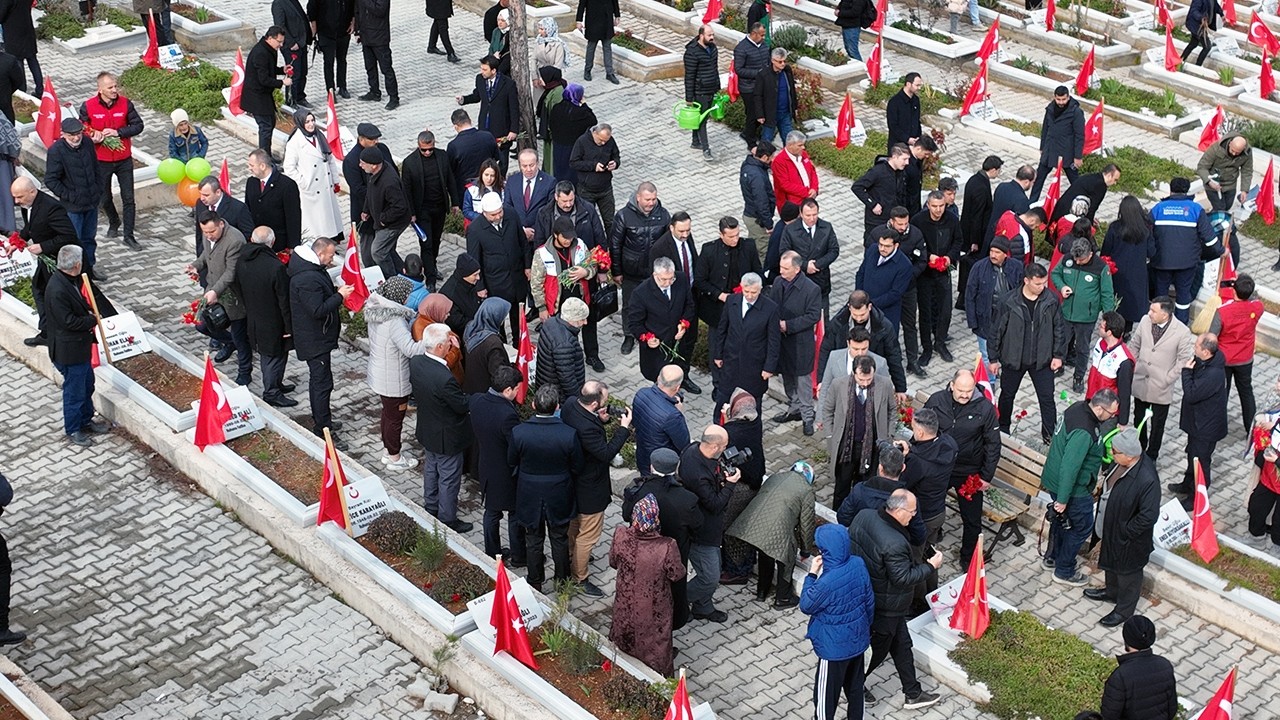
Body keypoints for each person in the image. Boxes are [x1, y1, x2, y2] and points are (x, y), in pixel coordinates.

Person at [848, 489, 943, 710]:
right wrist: (931, 567)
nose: (913, 515)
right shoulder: (895, 542)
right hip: (886, 605)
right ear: (898, 510)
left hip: (871, 593)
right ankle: (852, 685)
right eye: (911, 511)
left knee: (902, 644)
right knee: (877, 651)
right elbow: (903, 578)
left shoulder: (865, 515)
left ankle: (913, 692)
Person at [510, 385, 584, 591]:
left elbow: (511, 460)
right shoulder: (568, 434)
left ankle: (535, 581)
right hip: (559, 493)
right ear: (557, 407)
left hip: (529, 494)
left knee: (533, 539)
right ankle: (562, 581)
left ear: (533, 405)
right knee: (559, 539)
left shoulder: (519, 432)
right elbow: (577, 465)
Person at [562, 381, 633, 596]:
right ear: (594, 403)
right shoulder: (588, 429)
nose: (606, 404)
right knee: (588, 535)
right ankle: (580, 577)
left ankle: (570, 556)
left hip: (572, 479)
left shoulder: (570, 404)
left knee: (575, 524)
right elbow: (605, 453)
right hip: (590, 486)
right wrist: (623, 428)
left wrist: (601, 420)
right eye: (604, 401)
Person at [1042, 389, 1119, 585]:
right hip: (1072, 489)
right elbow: (1070, 467)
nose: (1113, 417)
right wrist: (1063, 499)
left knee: (1061, 521)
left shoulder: (1077, 408)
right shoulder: (1084, 431)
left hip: (1055, 480)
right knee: (1081, 526)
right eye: (1112, 413)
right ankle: (1064, 570)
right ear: (1100, 409)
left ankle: (1052, 557)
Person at [800, 523, 875, 720]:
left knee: (825, 697)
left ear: (824, 551)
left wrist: (812, 574)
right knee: (855, 689)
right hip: (857, 641)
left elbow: (806, 605)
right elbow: (869, 601)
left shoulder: (826, 582)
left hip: (833, 649)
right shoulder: (858, 563)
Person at [925, 370, 1000, 563]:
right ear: (951, 385)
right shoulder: (936, 400)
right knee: (929, 506)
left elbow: (993, 444)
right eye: (960, 390)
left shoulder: (984, 409)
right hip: (940, 467)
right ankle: (929, 543)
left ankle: (969, 559)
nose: (965, 395)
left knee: (972, 519)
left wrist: (986, 476)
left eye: (969, 390)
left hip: (969, 471)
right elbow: (923, 427)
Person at [1090, 428, 1161, 626]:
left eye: (1115, 451)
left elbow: (1148, 516)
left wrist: (1125, 531)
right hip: (1112, 529)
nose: (1111, 454)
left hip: (1129, 539)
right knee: (1111, 564)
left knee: (1128, 574)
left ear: (1129, 456)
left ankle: (1124, 610)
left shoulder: (1147, 479)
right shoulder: (1121, 464)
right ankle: (1111, 592)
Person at [990, 263, 1068, 443]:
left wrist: (1058, 355)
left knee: (1047, 399)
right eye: (1038, 284)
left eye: (1044, 283)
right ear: (1026, 281)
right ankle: (1002, 430)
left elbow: (1059, 329)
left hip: (1042, 361)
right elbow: (996, 331)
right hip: (1013, 359)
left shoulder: (1051, 300)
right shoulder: (1008, 301)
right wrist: (993, 358)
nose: (1042, 288)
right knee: (1007, 396)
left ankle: (1050, 438)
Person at [610, 493, 686, 675]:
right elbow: (677, 574)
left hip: (625, 600)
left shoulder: (620, 534)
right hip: (654, 606)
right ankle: (658, 676)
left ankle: (623, 668)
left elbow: (613, 562)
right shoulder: (666, 545)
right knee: (656, 643)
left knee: (625, 631)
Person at [43, 246, 110, 447]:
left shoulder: (69, 280)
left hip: (78, 349)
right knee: (74, 392)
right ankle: (73, 428)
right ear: (77, 264)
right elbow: (69, 321)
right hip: (69, 352)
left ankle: (86, 420)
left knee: (87, 385)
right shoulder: (57, 289)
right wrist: (92, 320)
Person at [288, 236, 354, 439]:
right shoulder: (307, 278)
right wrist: (340, 296)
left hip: (318, 337)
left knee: (323, 382)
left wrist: (335, 292)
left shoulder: (312, 270)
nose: (332, 259)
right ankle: (322, 428)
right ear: (319, 253)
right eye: (331, 254)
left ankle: (324, 420)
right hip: (315, 341)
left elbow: (321, 295)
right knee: (321, 384)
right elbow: (317, 309)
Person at [411, 322, 474, 533]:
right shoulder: (445, 378)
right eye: (448, 342)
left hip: (428, 429)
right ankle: (447, 517)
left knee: (431, 468)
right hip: (447, 435)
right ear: (439, 347)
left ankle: (430, 505)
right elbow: (461, 405)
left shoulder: (417, 362)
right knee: (448, 477)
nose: (450, 345)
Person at [727, 461, 817, 608]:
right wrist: (806, 550)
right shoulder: (806, 490)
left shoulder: (776, 476)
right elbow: (806, 524)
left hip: (757, 523)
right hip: (780, 529)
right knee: (786, 560)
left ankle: (762, 592)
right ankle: (783, 599)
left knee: (766, 551)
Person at [365, 276, 430, 470]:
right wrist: (430, 342)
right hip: (394, 378)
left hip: (380, 371)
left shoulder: (376, 310)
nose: (409, 297)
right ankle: (394, 457)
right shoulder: (395, 321)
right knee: (395, 419)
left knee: (388, 414)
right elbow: (409, 349)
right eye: (407, 294)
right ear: (400, 296)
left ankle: (389, 450)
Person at [678, 425, 740, 623]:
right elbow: (714, 504)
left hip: (708, 529)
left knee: (714, 567)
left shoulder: (692, 449)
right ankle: (676, 602)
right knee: (710, 577)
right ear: (714, 447)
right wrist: (730, 484)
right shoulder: (698, 474)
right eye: (724, 446)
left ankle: (703, 607)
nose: (726, 450)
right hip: (700, 531)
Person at [697, 217, 763, 396]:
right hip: (718, 308)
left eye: (737, 235)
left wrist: (748, 290)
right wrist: (720, 295)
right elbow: (700, 281)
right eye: (731, 236)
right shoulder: (709, 250)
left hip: (743, 304)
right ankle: (718, 384)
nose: (735, 239)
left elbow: (757, 272)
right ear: (721, 235)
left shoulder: (748, 246)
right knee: (717, 346)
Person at [80, 72, 143, 251]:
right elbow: (82, 128)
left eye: (115, 86)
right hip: (101, 160)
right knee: (104, 197)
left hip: (123, 159)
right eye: (110, 87)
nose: (115, 90)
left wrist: (119, 132)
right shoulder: (88, 106)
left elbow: (138, 125)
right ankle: (114, 220)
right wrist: (93, 135)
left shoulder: (125, 103)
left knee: (128, 198)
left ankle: (129, 235)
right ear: (100, 89)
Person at [188, 211, 254, 385]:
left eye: (212, 232)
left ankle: (245, 372)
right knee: (202, 325)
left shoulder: (235, 240)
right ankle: (229, 342)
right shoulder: (207, 235)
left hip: (233, 296)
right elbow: (206, 255)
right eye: (205, 232)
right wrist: (196, 265)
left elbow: (230, 273)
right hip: (212, 290)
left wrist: (215, 292)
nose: (209, 235)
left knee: (240, 337)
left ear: (221, 224)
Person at [14, 177, 79, 350]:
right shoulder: (27, 205)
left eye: (19, 197)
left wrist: (42, 246)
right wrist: (17, 242)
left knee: (64, 295)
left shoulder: (51, 208)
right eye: (15, 197)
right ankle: (47, 332)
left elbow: (69, 236)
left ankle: (57, 333)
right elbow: (31, 226)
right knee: (40, 290)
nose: (16, 201)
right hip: (47, 260)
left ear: (32, 191)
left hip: (60, 260)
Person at [822, 357, 893, 511]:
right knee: (842, 488)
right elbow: (827, 410)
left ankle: (859, 517)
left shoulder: (885, 384)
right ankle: (838, 517)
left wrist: (889, 434)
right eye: (861, 379)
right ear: (853, 373)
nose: (865, 383)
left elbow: (892, 410)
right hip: (847, 447)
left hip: (872, 447)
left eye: (869, 379)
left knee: (865, 488)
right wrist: (830, 435)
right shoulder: (838, 384)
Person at [237, 227, 296, 408]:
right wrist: (288, 327)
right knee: (273, 357)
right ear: (272, 241)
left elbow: (236, 286)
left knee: (271, 355)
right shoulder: (275, 266)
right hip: (273, 320)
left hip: (254, 316)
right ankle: (271, 392)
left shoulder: (242, 260)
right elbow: (283, 300)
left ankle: (276, 384)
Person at [470, 365, 525, 559]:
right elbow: (515, 445)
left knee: (491, 513)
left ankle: (492, 553)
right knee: (514, 513)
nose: (519, 392)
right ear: (507, 390)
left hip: (486, 465)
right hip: (506, 472)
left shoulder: (477, 401)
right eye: (517, 389)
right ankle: (519, 555)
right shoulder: (507, 415)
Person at [1131, 297, 1195, 461]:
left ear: (1165, 315)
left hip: (1161, 386)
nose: (1149, 313)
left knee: (1157, 425)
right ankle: (1139, 448)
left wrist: (1168, 378)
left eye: (1154, 311)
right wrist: (1135, 366)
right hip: (1141, 381)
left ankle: (1152, 455)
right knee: (1139, 419)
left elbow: (1183, 360)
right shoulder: (1145, 321)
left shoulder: (1181, 332)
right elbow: (1135, 345)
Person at [611, 183, 672, 353]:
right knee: (629, 305)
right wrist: (617, 271)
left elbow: (668, 242)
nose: (651, 203)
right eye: (647, 199)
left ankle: (651, 334)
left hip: (654, 272)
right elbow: (615, 244)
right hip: (631, 271)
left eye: (653, 199)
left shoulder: (663, 215)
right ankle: (629, 335)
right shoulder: (623, 216)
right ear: (638, 197)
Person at [1152, 177, 1221, 324]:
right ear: (1187, 190)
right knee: (1183, 294)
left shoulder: (1158, 208)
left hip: (1162, 262)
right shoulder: (1196, 210)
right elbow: (1209, 238)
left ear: (1171, 190)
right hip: (1187, 264)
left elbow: (1146, 233)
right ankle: (1180, 325)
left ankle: (1158, 323)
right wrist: (1221, 251)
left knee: (1161, 293)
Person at [532, 216, 600, 364]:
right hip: (558, 303)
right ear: (556, 235)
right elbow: (536, 283)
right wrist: (542, 307)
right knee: (565, 334)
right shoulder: (542, 253)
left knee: (589, 328)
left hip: (582, 298)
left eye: (571, 237)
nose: (569, 240)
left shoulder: (580, 245)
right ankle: (570, 360)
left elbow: (593, 266)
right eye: (565, 237)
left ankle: (592, 356)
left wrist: (585, 272)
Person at [1169, 333, 1228, 502]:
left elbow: (1192, 394)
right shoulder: (1205, 361)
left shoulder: (1213, 374)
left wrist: (1186, 372)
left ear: (1206, 352)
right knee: (1192, 455)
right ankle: (1187, 484)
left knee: (1201, 462)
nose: (1193, 348)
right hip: (1198, 422)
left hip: (1206, 427)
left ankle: (1198, 497)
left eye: (1196, 346)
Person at [1054, 237, 1116, 393]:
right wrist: (1062, 287)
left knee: (1082, 348)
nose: (1077, 261)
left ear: (1090, 254)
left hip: (1086, 318)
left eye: (1080, 259)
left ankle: (1078, 377)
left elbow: (1107, 293)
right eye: (1075, 258)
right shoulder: (1068, 259)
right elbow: (1055, 274)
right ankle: (1058, 365)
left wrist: (1108, 317)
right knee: (1060, 341)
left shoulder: (1101, 267)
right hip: (1066, 312)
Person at [771, 251, 823, 435]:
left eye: (785, 268)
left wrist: (788, 325)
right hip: (782, 342)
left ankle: (808, 417)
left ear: (797, 268)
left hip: (800, 344)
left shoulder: (811, 289)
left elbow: (813, 316)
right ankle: (793, 408)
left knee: (803, 382)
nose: (781, 271)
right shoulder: (778, 282)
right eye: (780, 267)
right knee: (786, 377)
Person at [819, 291, 908, 399]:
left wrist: (900, 388)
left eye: (862, 314)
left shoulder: (884, 327)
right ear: (849, 307)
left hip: (871, 377)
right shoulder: (838, 323)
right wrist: (822, 380)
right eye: (855, 315)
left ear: (869, 307)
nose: (859, 318)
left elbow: (894, 355)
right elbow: (825, 350)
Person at [44, 118, 103, 280]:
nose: (76, 138)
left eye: (78, 134)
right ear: (63, 135)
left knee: (89, 238)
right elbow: (51, 180)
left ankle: (89, 269)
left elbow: (96, 167)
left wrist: (99, 189)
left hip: (91, 201)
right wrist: (70, 196)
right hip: (72, 207)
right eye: (72, 136)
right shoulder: (56, 151)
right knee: (74, 241)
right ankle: (74, 275)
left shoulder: (88, 144)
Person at [713, 272, 780, 411]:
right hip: (731, 362)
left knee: (752, 404)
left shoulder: (770, 308)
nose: (749, 296)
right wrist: (718, 354)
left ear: (760, 289)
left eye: (753, 292)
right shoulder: (732, 301)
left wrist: (769, 367)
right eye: (746, 291)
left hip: (754, 365)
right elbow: (722, 329)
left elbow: (774, 341)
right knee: (723, 400)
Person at [719, 389, 766, 582]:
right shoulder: (754, 421)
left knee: (731, 528)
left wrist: (726, 418)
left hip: (739, 487)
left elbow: (724, 439)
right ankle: (744, 564)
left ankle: (737, 571)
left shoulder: (733, 432)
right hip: (754, 482)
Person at [467, 193, 528, 340]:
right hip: (495, 283)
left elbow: (523, 242)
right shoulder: (475, 229)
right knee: (497, 322)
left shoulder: (511, 214)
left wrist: (527, 266)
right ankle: (501, 345)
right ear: (484, 213)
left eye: (500, 212)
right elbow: (474, 259)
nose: (498, 216)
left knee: (518, 317)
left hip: (517, 278)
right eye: (493, 214)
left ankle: (519, 345)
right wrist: (480, 286)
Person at [648, 212, 701, 382]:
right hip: (673, 300)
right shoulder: (660, 248)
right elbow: (656, 280)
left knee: (690, 337)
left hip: (691, 293)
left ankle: (684, 375)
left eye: (688, 230)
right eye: (681, 231)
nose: (685, 235)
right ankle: (671, 376)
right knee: (675, 339)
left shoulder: (687, 238)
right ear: (671, 228)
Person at [401, 131, 458, 286]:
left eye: (430, 149)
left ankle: (431, 266)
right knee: (426, 244)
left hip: (439, 207)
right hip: (422, 210)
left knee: (436, 241)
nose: (427, 152)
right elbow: (407, 191)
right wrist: (411, 213)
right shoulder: (410, 162)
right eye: (424, 149)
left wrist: (455, 203)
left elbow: (450, 180)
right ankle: (430, 280)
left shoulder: (442, 156)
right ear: (418, 146)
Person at [913, 191, 961, 364]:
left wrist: (949, 257)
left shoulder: (952, 219)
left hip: (944, 272)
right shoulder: (918, 220)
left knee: (945, 310)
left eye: (941, 206)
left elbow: (958, 241)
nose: (938, 210)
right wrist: (928, 256)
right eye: (934, 206)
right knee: (925, 311)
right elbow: (914, 245)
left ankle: (940, 343)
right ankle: (926, 347)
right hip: (925, 273)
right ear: (928, 205)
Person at [629, 257, 696, 382]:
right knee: (661, 381)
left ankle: (684, 381)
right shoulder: (641, 293)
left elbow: (689, 305)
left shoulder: (681, 279)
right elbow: (634, 324)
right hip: (658, 348)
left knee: (679, 371)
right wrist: (647, 338)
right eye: (664, 279)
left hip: (678, 342)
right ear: (655, 275)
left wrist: (684, 324)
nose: (668, 283)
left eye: (671, 278)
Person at [283, 108, 344, 243]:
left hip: (325, 185)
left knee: (329, 217)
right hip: (311, 189)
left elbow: (330, 160)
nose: (311, 124)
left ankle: (331, 241)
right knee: (317, 222)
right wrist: (304, 182)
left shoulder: (319, 135)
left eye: (312, 120)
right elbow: (289, 167)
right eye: (307, 122)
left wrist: (335, 180)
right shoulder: (295, 142)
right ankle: (318, 244)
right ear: (300, 123)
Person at [1099, 616, 1178, 720]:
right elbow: (1172, 708)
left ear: (1126, 639)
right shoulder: (1164, 665)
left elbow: (1109, 716)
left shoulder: (1120, 676)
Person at [1211, 273, 1263, 430]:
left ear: (1234, 291)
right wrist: (1244, 286)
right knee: (1246, 393)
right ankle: (1250, 428)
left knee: (1222, 393)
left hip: (1224, 358)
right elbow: (1255, 297)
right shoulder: (1257, 308)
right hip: (1245, 358)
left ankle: (1217, 427)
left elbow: (1212, 335)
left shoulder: (1222, 311)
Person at [1099, 196, 1157, 336]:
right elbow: (1152, 252)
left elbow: (1106, 250)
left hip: (1117, 271)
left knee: (1118, 301)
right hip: (1137, 272)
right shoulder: (1145, 229)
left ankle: (1114, 328)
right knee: (1132, 302)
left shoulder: (1115, 227)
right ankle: (1127, 331)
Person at [457, 55, 520, 174]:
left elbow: (514, 108)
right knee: (486, 161)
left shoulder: (508, 84)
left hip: (502, 128)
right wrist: (463, 99)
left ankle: (501, 182)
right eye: (481, 69)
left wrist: (513, 130)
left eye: (485, 69)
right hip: (484, 127)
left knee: (502, 162)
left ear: (494, 70)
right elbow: (477, 95)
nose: (482, 72)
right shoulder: (480, 79)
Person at [854, 213, 915, 331]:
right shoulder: (872, 250)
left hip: (887, 313)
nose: (882, 248)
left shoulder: (904, 265)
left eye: (887, 246)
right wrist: (860, 298)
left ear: (896, 245)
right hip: (864, 309)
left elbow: (895, 293)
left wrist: (870, 304)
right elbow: (861, 273)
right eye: (880, 244)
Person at [957, 155, 1003, 311]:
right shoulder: (982, 188)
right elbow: (977, 217)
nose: (998, 173)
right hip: (973, 235)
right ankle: (965, 299)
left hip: (968, 230)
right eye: (998, 170)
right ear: (993, 169)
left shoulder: (975, 179)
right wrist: (975, 241)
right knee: (971, 267)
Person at [359, 145, 410, 278]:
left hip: (393, 224)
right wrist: (366, 210)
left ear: (374, 165)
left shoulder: (389, 182)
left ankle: (391, 279)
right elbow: (370, 192)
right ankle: (405, 273)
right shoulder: (376, 172)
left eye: (363, 163)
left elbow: (399, 207)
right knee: (388, 249)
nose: (360, 165)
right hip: (384, 220)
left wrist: (382, 219)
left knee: (378, 252)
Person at [780, 198, 839, 313]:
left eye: (814, 214)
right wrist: (805, 265)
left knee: (822, 318)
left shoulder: (826, 227)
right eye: (808, 215)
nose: (812, 219)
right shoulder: (790, 230)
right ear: (801, 214)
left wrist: (817, 265)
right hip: (797, 280)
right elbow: (784, 252)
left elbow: (834, 250)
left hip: (820, 280)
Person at [632, 365, 691, 474]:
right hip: (661, 463)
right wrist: (680, 412)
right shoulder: (672, 415)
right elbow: (684, 443)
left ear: (658, 378)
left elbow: (635, 422)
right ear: (677, 388)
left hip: (642, 454)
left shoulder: (641, 393)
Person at [1029, 86, 1084, 201]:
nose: (1061, 102)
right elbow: (1045, 128)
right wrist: (1042, 146)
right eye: (1058, 99)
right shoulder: (1050, 109)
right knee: (1039, 179)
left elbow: (1080, 135)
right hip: (1050, 149)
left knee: (1075, 182)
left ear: (1068, 97)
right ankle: (1031, 203)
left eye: (1063, 99)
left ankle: (1082, 204)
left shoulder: (1076, 112)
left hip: (1067, 152)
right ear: (1054, 97)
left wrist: (1078, 156)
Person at [242, 28, 291, 154]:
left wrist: (282, 70)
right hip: (257, 96)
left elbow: (269, 69)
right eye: (279, 42)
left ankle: (266, 154)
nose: (281, 45)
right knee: (265, 127)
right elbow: (263, 79)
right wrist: (282, 82)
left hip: (264, 95)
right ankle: (264, 158)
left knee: (270, 123)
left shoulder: (270, 49)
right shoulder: (260, 53)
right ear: (269, 38)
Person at [246, 149, 303, 253]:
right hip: (256, 240)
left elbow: (293, 218)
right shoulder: (251, 182)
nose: (249, 168)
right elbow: (248, 209)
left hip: (278, 243)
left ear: (262, 166)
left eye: (252, 165)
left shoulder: (287, 186)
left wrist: (293, 246)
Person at [851, 145, 910, 241]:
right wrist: (872, 204)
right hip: (876, 220)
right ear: (894, 157)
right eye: (904, 159)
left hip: (893, 219)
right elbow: (857, 187)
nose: (907, 163)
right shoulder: (878, 171)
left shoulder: (901, 172)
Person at [535, 298, 589, 402]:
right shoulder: (565, 344)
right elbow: (567, 378)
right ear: (572, 319)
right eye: (582, 319)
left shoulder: (550, 322)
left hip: (545, 386)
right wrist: (577, 399)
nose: (585, 322)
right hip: (558, 397)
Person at [1086, 312, 1135, 424]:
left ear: (1109, 332)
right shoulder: (1099, 343)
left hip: (1107, 412)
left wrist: (1122, 422)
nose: (1098, 327)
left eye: (1101, 326)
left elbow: (1124, 393)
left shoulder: (1124, 360)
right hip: (1092, 401)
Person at [463, 297, 515, 395]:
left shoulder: (470, 327)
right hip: (486, 392)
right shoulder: (493, 343)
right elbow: (499, 375)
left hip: (471, 386)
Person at [683, 24, 720, 159]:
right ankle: (706, 149)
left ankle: (695, 141)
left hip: (711, 89)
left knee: (700, 118)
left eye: (712, 35)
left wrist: (718, 86)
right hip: (700, 91)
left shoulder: (713, 48)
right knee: (703, 120)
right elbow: (689, 76)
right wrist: (689, 97)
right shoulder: (692, 52)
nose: (712, 37)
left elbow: (715, 69)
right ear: (701, 36)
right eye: (709, 35)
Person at [549, 84, 598, 186]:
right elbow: (593, 120)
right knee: (572, 173)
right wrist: (584, 105)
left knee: (559, 170)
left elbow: (551, 124)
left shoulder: (556, 108)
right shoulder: (580, 112)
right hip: (574, 147)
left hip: (558, 145)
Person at [353, 0, 399, 108]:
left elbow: (380, 10)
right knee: (370, 67)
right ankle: (374, 91)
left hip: (380, 37)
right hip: (366, 36)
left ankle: (394, 97)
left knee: (386, 69)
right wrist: (357, 31)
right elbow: (357, 11)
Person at [447, 110, 499, 202]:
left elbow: (451, 170)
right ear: (470, 120)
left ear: (455, 126)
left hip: (467, 190)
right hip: (489, 184)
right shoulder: (488, 136)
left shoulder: (453, 146)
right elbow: (497, 157)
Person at [820, 326, 891, 394]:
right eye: (856, 349)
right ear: (848, 343)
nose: (860, 353)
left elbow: (887, 390)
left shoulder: (880, 363)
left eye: (864, 349)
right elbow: (825, 387)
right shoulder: (834, 357)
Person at [505, 149, 555, 244]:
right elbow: (507, 206)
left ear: (537, 163)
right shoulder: (512, 181)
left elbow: (550, 210)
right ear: (519, 165)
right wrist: (521, 229)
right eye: (524, 166)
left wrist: (534, 230)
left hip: (539, 236)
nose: (528, 169)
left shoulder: (549, 182)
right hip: (517, 235)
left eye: (532, 165)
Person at [309, 0, 356, 96]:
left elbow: (354, 5)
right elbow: (311, 9)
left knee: (342, 60)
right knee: (328, 62)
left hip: (343, 31)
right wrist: (314, 29)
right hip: (326, 33)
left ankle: (342, 86)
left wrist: (353, 22)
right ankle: (330, 89)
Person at [733, 24, 770, 144]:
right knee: (753, 114)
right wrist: (758, 73)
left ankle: (748, 133)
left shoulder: (764, 46)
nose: (764, 37)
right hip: (748, 87)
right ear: (754, 34)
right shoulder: (741, 48)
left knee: (762, 111)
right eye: (762, 35)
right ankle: (750, 139)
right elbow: (739, 70)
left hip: (762, 86)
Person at [1247, 419, 1280, 554]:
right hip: (1270, 476)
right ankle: (1256, 538)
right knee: (1256, 507)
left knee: (1279, 521)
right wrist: (1272, 428)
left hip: (1275, 464)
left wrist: (1277, 460)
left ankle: (1277, 548)